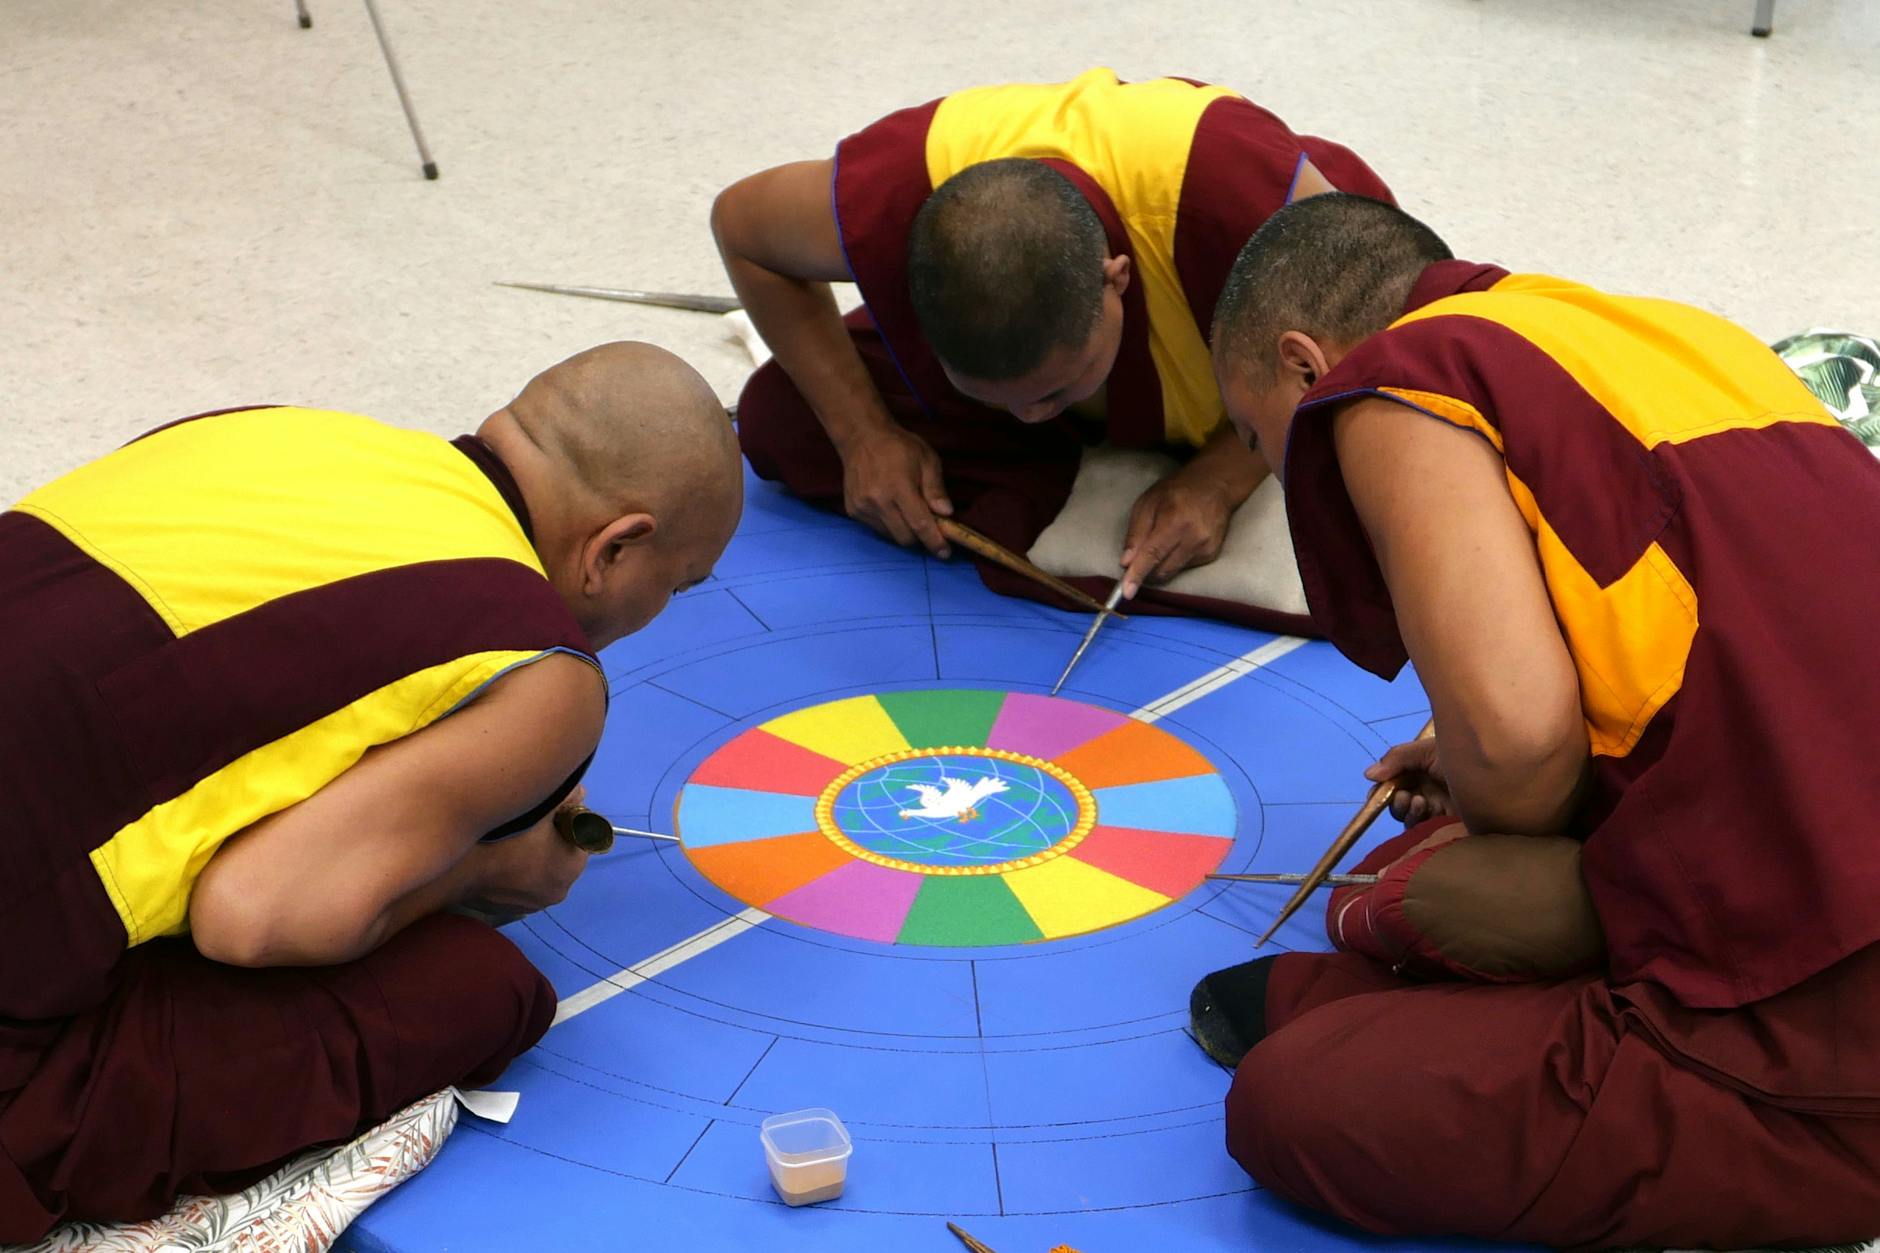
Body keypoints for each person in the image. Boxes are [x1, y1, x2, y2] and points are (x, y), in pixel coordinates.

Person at [1190, 193, 1880, 1248]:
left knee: (1293, 1102)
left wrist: (1487, 768)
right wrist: (1475, 752)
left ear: (1303, 366)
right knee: (1415, 875)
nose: (1272, 470)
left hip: (1825, 998)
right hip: (1815, 835)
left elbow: (1517, 751)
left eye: (1253, 435)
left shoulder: (1389, 388)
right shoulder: (1656, 333)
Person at [0, 342, 742, 1239]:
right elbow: (250, 917)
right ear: (616, 547)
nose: (661, 610)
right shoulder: (545, 671)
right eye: (677, 585)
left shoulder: (286, 428)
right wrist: (487, 870)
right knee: (482, 988)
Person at [713, 67, 1390, 626]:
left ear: (1115, 279)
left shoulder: (1222, 184)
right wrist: (864, 436)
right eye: (1004, 401)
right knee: (782, 417)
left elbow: (1364, 325)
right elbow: (741, 228)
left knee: (1381, 453)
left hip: (1252, 313)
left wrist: (1219, 481)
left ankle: (1107, 464)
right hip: (1051, 340)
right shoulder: (905, 180)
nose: (1029, 418)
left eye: (1056, 391)